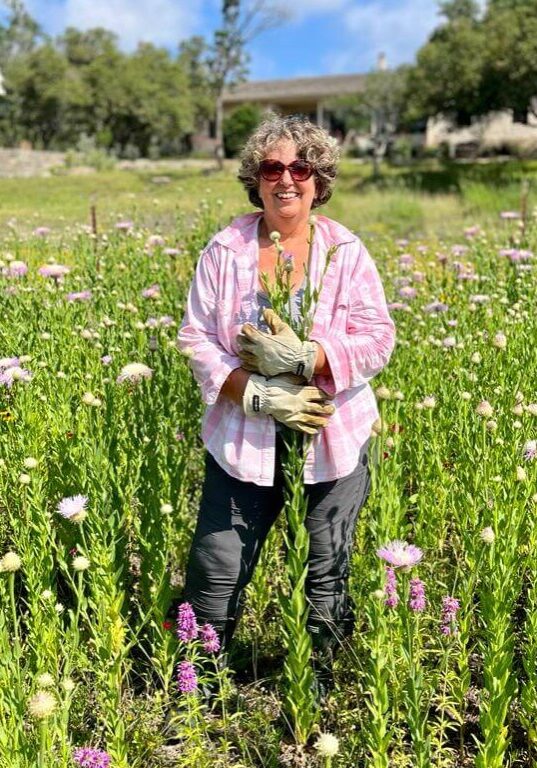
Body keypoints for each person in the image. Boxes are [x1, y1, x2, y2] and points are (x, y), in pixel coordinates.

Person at [176, 114, 395, 691]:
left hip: (331, 437)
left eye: (301, 167)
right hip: (242, 441)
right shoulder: (224, 250)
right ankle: (198, 691)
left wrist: (307, 359)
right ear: (256, 179)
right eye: (272, 168)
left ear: (319, 180)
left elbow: (378, 339)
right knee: (216, 569)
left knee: (325, 572)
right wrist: (255, 394)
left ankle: (313, 691)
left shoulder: (344, 251)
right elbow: (196, 338)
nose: (286, 179)